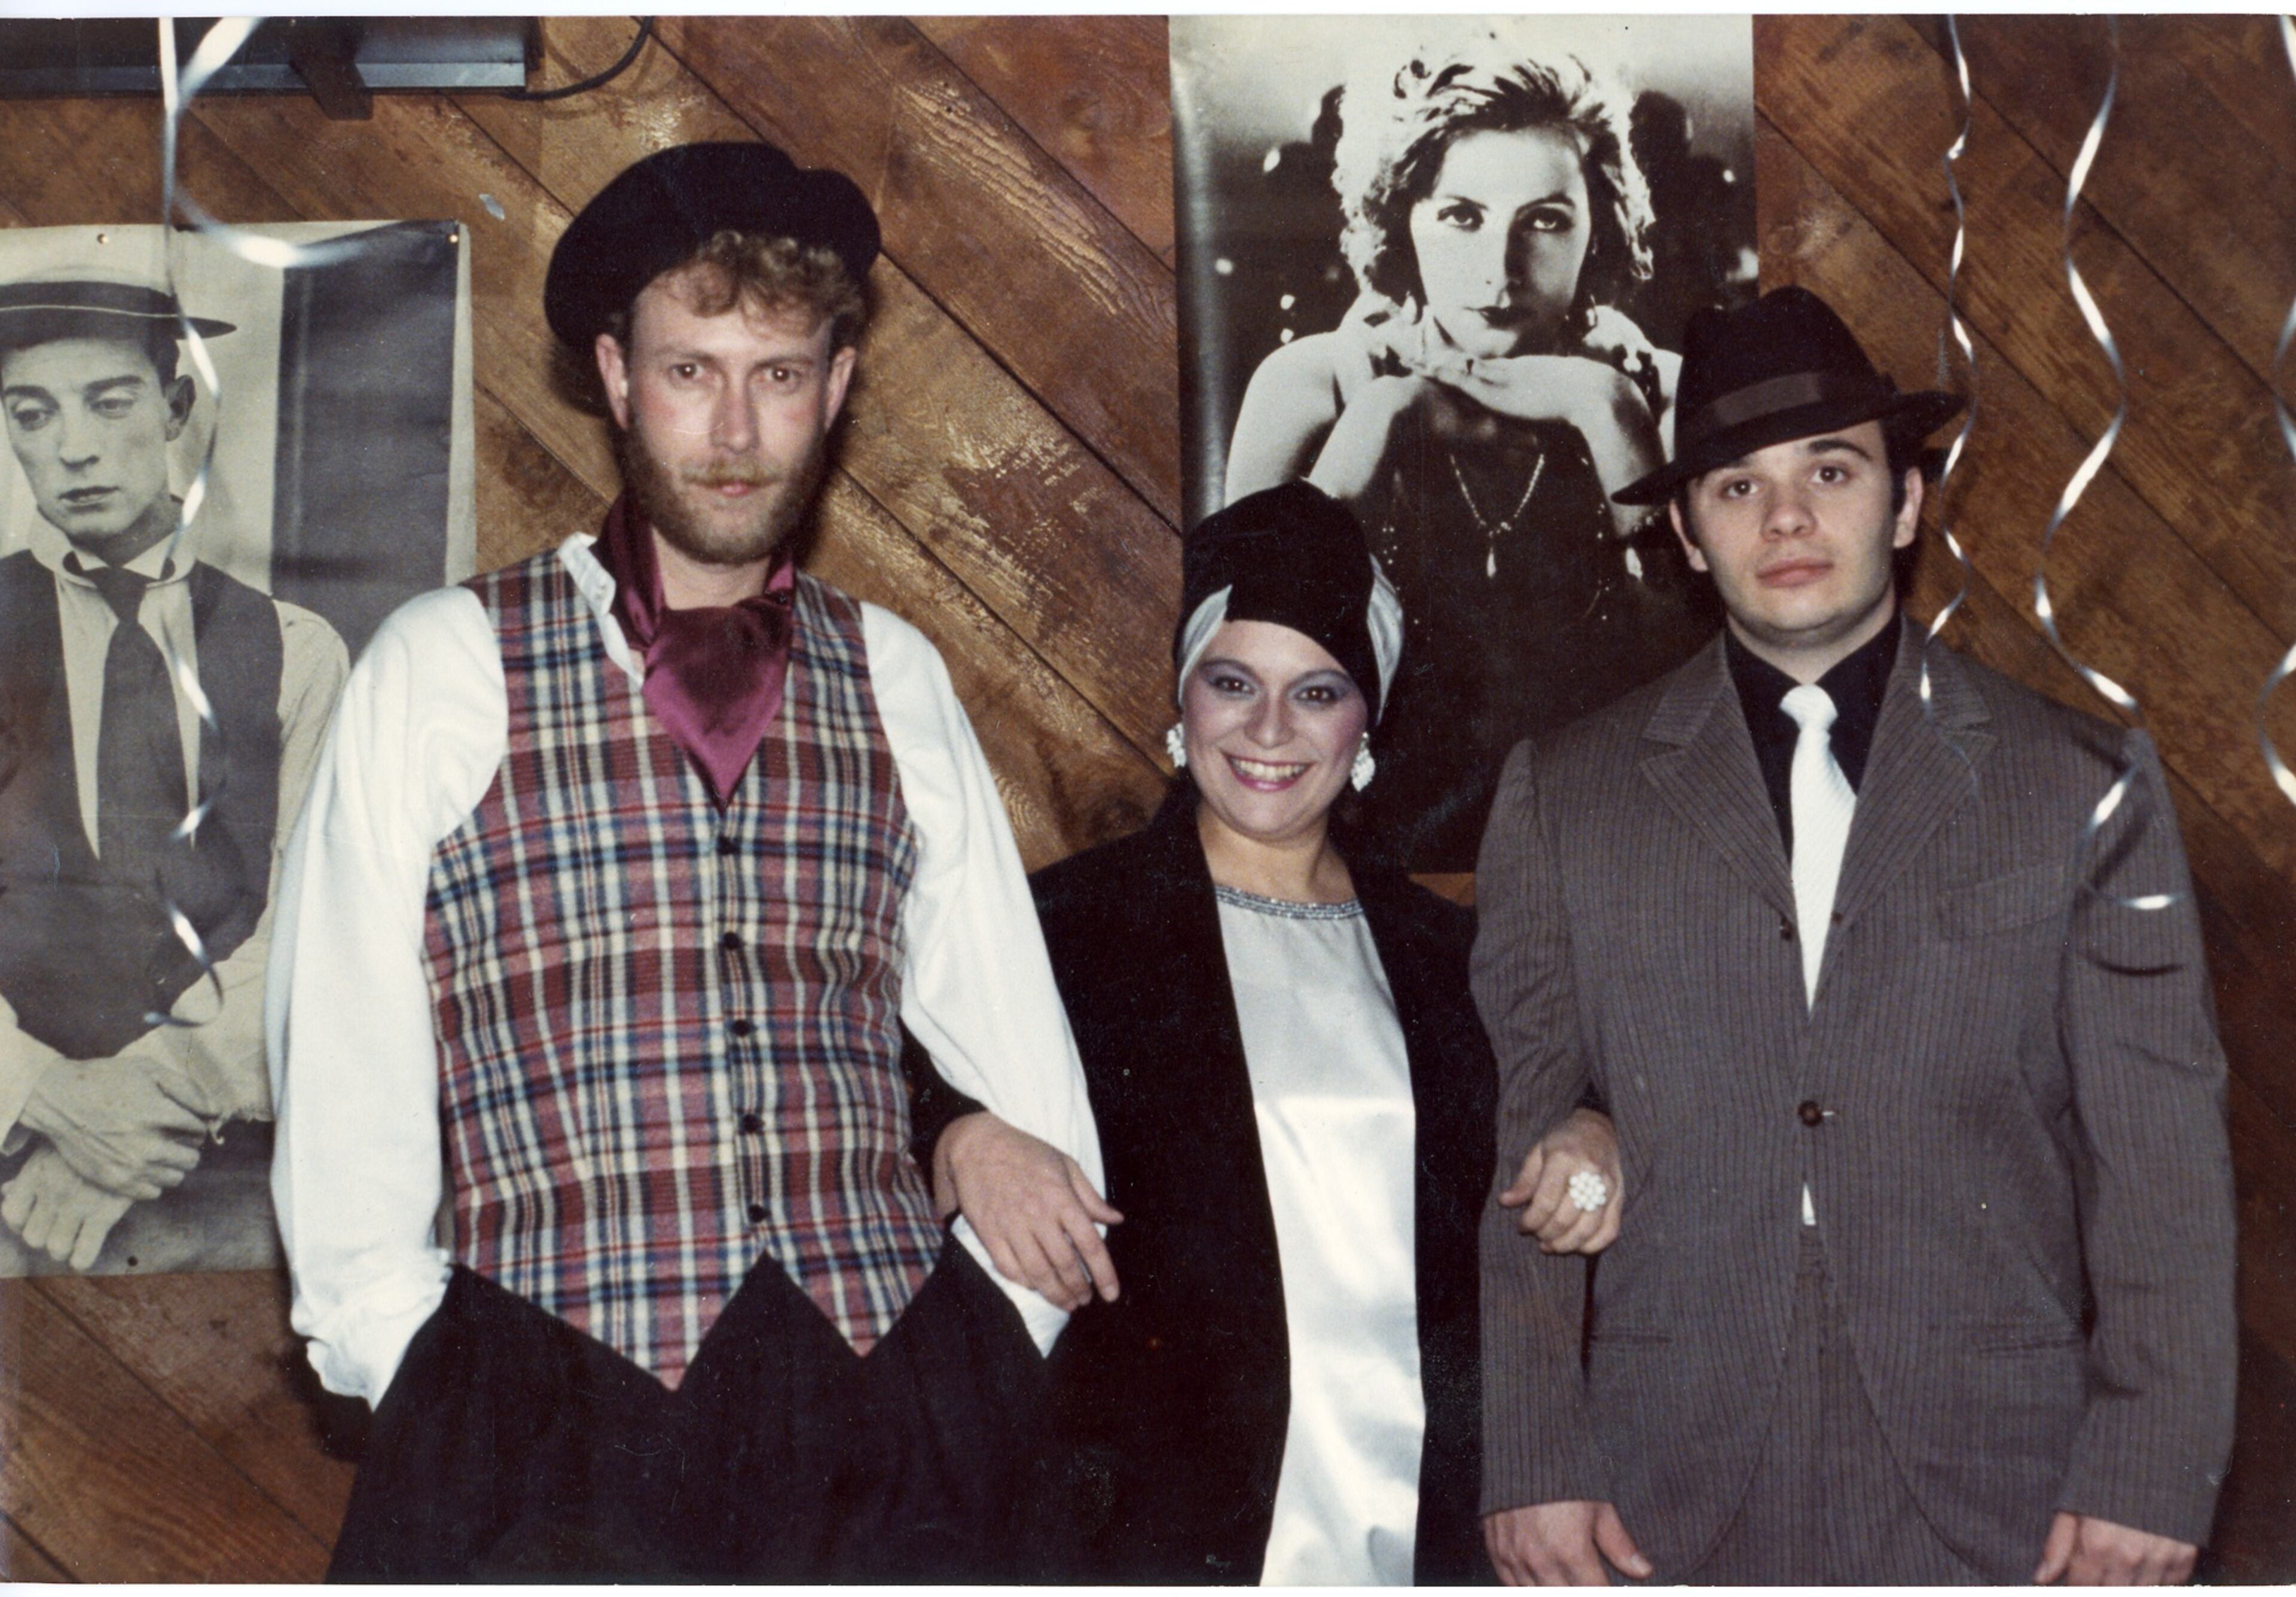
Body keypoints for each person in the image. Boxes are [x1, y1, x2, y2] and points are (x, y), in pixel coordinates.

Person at [265, 141, 1103, 1581]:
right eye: (689, 369)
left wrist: (976, 1345)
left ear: (836, 389)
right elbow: (340, 1063)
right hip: (549, 1425)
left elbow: (1027, 1072)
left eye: (777, 374)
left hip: (883, 1434)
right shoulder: (445, 665)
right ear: (613, 374)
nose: (732, 428)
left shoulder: (893, 674)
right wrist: (430, 1370)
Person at [1473, 286, 2237, 1584]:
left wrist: (2154, 1464)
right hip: (1665, 1490)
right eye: (1734, 487)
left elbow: (2159, 1159)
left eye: (1830, 471)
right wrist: (1537, 1453)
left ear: (1905, 501)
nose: (1785, 518)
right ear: (1684, 531)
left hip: (2014, 1490)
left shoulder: (2082, 781)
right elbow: (1526, 1139)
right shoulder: (1566, 793)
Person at [921, 481, 1623, 1583]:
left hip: (1428, 1520)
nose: (1268, 730)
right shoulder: (1062, 928)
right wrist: (962, 1138)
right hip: (1160, 1531)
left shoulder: (1455, 958)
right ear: (1185, 698)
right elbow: (879, 1069)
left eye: (1318, 692)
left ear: (1368, 721)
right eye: (1234, 683)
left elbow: (1580, 1102)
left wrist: (1592, 1128)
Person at [1224, 36, 1714, 869]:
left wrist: (1606, 415)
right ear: (1399, 219)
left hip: (1625, 858)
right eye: (1461, 215)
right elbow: (1239, 686)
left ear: (1598, 228)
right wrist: (1379, 421)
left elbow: (1706, 708)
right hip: (1358, 867)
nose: (1499, 269)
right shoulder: (1311, 386)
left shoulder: (1661, 393)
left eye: (1546, 221)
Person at [0, 276, 347, 1275]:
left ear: (176, 407)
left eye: (111, 401)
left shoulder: (296, 649)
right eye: (34, 413)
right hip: (12, 1163)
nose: (74, 447)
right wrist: (45, 1099)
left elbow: (320, 925)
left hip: (220, 1172)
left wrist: (134, 1119)